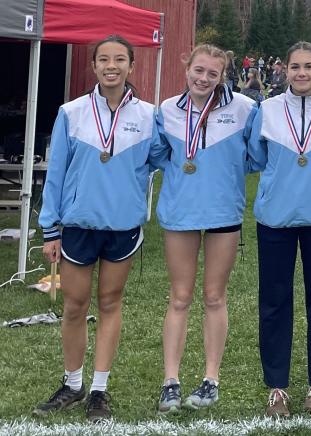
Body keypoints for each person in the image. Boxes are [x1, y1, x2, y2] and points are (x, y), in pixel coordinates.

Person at [33, 35, 161, 422]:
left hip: (122, 225)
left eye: (119, 59)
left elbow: (159, 159)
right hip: (78, 224)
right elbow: (55, 175)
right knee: (75, 305)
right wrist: (50, 229)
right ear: (93, 66)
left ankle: (99, 390)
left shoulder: (148, 115)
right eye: (103, 59)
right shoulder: (71, 112)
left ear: (131, 66)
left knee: (110, 304)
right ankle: (73, 384)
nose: (111, 65)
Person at [152, 44, 257, 415]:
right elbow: (157, 154)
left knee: (214, 296)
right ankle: (171, 381)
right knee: (179, 297)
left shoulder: (244, 108)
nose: (204, 79)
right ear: (187, 66)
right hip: (181, 211)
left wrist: (224, 173)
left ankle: (211, 379)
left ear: (222, 75)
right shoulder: (165, 110)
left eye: (213, 74)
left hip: (223, 213)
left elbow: (256, 155)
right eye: (199, 70)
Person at [248, 41, 311, 417]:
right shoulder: (268, 109)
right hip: (275, 218)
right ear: (284, 70)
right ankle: (277, 387)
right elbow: (258, 157)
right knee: (274, 303)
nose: (302, 73)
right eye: (295, 67)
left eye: (308, 66)